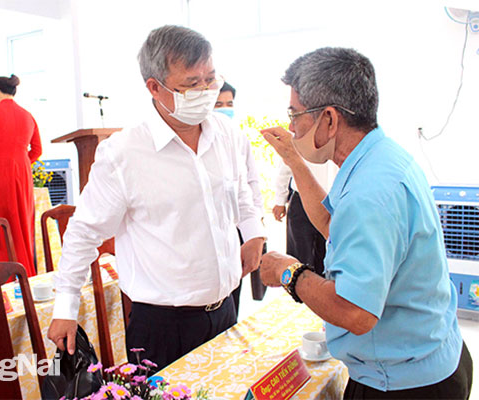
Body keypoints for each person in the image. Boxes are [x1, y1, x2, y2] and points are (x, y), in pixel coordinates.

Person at [48, 25, 265, 371]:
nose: (206, 92)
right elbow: (84, 232)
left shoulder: (227, 133)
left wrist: (253, 233)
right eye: (192, 84)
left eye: (210, 79)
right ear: (154, 87)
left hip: (226, 309)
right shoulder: (124, 153)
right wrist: (65, 308)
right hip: (163, 327)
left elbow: (241, 187)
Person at [260, 47, 473, 399]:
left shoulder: (369, 193)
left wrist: (289, 272)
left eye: (295, 114)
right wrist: (294, 161)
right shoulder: (381, 157)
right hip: (437, 354)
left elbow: (355, 312)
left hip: (404, 383)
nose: (291, 127)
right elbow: (333, 225)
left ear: (329, 119)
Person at [0, 75, 42, 276]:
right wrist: (22, 161)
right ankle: (26, 270)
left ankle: (8, 274)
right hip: (23, 172)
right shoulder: (27, 115)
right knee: (23, 222)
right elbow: (37, 149)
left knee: (4, 221)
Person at [213, 81, 267, 310]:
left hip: (238, 224)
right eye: (218, 104)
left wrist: (256, 222)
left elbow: (251, 180)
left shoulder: (238, 137)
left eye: (229, 104)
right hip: (212, 227)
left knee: (235, 284)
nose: (225, 109)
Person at [273, 162, 327, 276]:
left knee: (327, 259)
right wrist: (280, 200)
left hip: (331, 201)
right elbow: (286, 164)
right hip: (301, 200)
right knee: (298, 260)